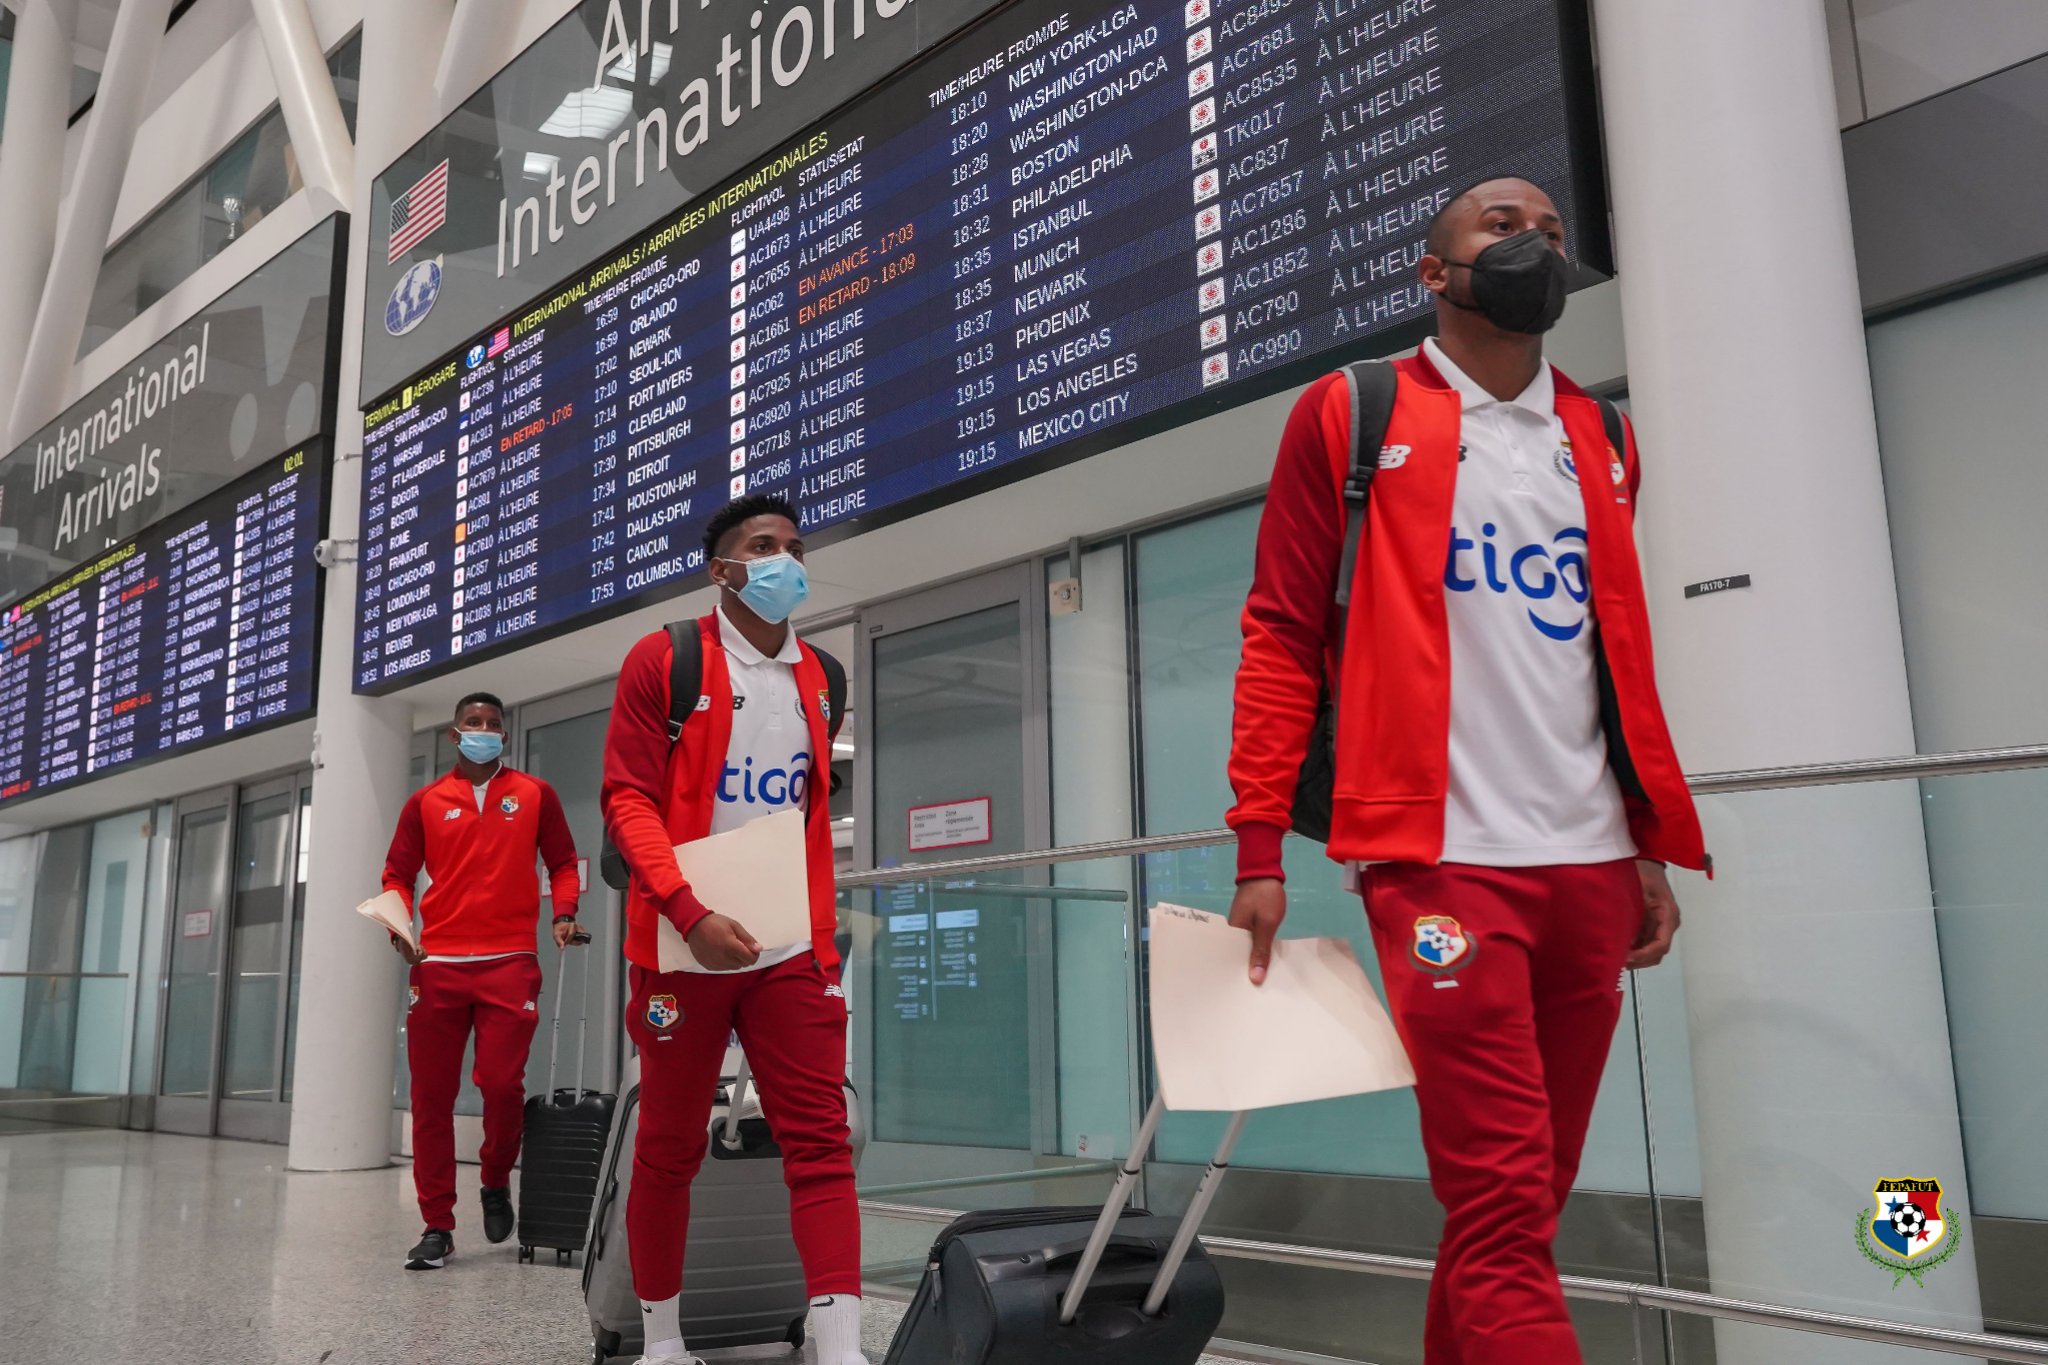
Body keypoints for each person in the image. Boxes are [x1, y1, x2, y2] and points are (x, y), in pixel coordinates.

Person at [1224, 177, 1709, 1365]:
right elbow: (1280, 630)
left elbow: (1606, 655)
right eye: (1500, 227)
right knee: (1497, 1200)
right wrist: (1256, 844)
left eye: (1549, 231)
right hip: (1439, 868)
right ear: (1432, 273)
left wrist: (1643, 847)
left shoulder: (1601, 438)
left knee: (1521, 1204)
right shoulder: (1353, 411)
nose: (1532, 243)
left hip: (1589, 866)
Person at [601, 494, 863, 1365]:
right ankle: (662, 1342)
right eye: (763, 546)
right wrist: (688, 908)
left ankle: (841, 1350)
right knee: (669, 1146)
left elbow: (808, 812)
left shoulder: (823, 676)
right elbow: (628, 799)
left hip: (789, 949)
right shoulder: (666, 659)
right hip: (683, 944)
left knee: (821, 1140)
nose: (786, 559)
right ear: (722, 570)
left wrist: (819, 934)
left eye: (795, 546)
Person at [382, 691, 584, 1271]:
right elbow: (397, 874)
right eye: (473, 722)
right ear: (455, 734)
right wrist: (399, 925)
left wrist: (563, 912)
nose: (483, 730)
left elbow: (562, 861)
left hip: (510, 961)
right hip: (438, 964)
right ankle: (437, 1225)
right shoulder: (425, 802)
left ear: (504, 736)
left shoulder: (534, 794)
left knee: (500, 1085)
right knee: (431, 1099)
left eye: (493, 724)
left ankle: (495, 1180)